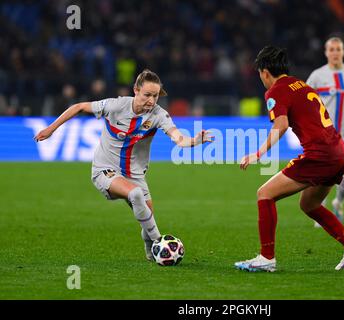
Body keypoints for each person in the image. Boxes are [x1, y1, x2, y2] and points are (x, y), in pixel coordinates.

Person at [34, 69, 212, 261]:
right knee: (135, 194)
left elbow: (178, 139)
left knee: (148, 215)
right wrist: (51, 129)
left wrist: (195, 141)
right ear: (135, 90)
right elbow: (78, 107)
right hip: (105, 170)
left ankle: (150, 251)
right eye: (147, 95)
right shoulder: (115, 106)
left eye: (155, 96)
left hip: (135, 175)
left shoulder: (159, 115)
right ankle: (160, 244)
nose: (151, 101)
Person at [234, 46, 344, 272]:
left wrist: (258, 153)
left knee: (264, 194)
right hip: (339, 152)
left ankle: (267, 258)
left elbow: (281, 124)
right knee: (309, 204)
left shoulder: (275, 91)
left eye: (260, 74)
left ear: (265, 72)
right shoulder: (301, 84)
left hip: (320, 155)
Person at [306, 37, 344, 223]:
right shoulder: (317, 75)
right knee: (322, 176)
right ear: (326, 53)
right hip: (324, 137)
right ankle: (319, 207)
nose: (335, 53)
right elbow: (306, 101)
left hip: (343, 134)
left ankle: (338, 202)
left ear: (343, 51)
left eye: (338, 49)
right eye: (331, 49)